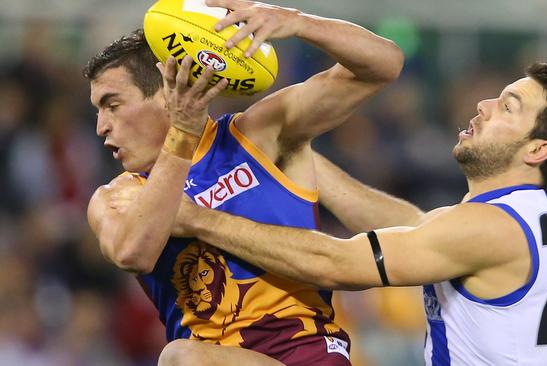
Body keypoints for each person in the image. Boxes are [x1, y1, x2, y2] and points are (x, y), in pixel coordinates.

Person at [112, 62, 547, 365]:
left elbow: (338, 265)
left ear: (538, 150)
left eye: (508, 107)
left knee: (184, 359)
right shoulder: (524, 215)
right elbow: (414, 226)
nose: (483, 105)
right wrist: (287, 159)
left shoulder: (492, 227)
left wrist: (199, 219)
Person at [84, 0, 404, 364]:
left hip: (312, 354)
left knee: (181, 358)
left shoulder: (261, 134)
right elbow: (133, 253)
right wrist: (183, 136)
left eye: (112, 105)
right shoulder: (115, 196)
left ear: (166, 92)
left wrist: (297, 22)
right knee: (181, 357)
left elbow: (384, 64)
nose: (101, 127)